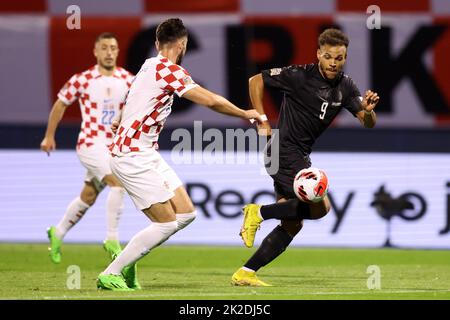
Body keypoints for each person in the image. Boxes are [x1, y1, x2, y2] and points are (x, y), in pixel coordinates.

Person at [96, 18, 263, 291]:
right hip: (131, 153)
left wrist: (120, 119)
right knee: (165, 223)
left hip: (144, 151)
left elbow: (132, 98)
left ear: (156, 43)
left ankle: (126, 263)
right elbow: (210, 100)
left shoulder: (148, 65)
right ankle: (112, 271)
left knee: (185, 214)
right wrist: (245, 113)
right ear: (183, 44)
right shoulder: (169, 70)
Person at [231, 28, 380, 286]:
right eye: (329, 56)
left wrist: (367, 111)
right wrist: (262, 118)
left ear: (345, 58)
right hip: (283, 150)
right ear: (318, 55)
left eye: (340, 57)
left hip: (297, 154)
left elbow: (368, 124)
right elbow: (255, 80)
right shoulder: (299, 75)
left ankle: (246, 272)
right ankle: (258, 212)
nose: (334, 62)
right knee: (321, 207)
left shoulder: (346, 86)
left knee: (292, 224)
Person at [40, 33, 134, 265]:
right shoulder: (82, 79)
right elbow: (61, 103)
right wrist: (49, 135)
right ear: (95, 52)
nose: (109, 52)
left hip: (113, 147)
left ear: (118, 50)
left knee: (88, 196)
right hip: (90, 144)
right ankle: (112, 239)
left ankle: (58, 232)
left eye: (113, 47)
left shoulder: (128, 80)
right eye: (104, 48)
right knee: (118, 183)